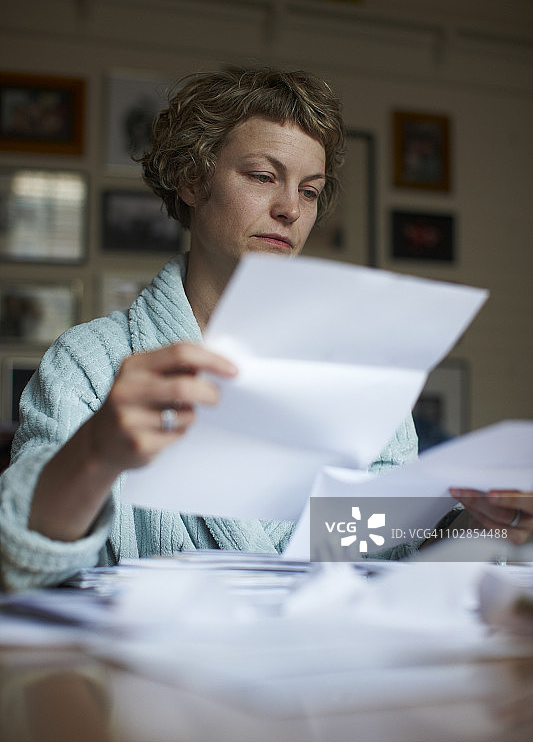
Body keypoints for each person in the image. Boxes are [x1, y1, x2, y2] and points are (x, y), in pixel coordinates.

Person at [0, 67, 530, 592]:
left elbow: (385, 548)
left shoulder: (359, 367)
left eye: (310, 191)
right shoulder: (88, 362)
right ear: (192, 180)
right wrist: (96, 453)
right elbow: (20, 560)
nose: (291, 209)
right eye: (262, 176)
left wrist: (479, 526)